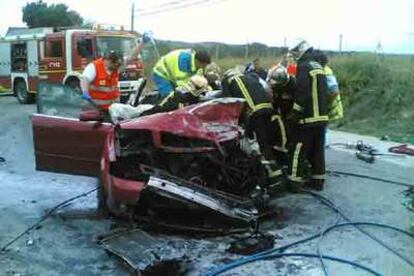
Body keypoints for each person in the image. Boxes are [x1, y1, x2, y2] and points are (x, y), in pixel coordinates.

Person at [222, 67, 283, 190]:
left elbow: (228, 102)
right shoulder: (250, 77)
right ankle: (279, 169)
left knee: (258, 145)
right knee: (267, 141)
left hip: (254, 112)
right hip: (268, 108)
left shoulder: (227, 81)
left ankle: (275, 178)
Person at [286, 40, 329, 192]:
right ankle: (318, 182)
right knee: (318, 150)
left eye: (294, 52)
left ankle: (294, 183)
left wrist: (295, 113)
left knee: (298, 149)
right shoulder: (318, 65)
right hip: (322, 118)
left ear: (300, 50)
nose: (294, 55)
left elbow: (302, 91)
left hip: (308, 118)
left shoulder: (303, 66)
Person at [81, 36, 148, 111]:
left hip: (113, 109)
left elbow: (131, 57)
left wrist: (142, 43)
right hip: (98, 110)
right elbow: (85, 79)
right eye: (117, 65)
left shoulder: (115, 67)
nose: (118, 67)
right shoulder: (93, 67)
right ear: (109, 61)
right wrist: (85, 92)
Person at [312, 50, 343, 122]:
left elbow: (334, 91)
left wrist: (325, 105)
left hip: (331, 109)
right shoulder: (322, 70)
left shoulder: (326, 72)